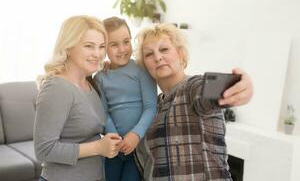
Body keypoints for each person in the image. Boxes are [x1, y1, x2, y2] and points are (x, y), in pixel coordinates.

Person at [134, 23, 253, 181]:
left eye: (164, 49)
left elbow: (209, 91)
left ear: (181, 54)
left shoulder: (192, 87)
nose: (157, 57)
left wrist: (238, 87)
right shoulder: (152, 107)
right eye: (149, 54)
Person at [34, 15, 122, 181]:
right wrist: (97, 147)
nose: (98, 54)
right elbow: (43, 149)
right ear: (68, 47)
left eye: (102, 46)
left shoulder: (91, 84)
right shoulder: (57, 88)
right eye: (89, 46)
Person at [93, 17, 157, 181]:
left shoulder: (141, 69)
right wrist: (114, 136)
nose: (122, 49)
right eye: (114, 44)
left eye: (126, 42)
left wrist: (135, 135)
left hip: (138, 147)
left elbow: (151, 107)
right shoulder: (100, 77)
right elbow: (103, 112)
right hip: (113, 146)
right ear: (103, 47)